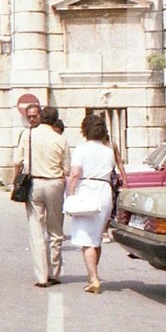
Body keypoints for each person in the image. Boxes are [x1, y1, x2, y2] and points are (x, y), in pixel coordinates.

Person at [65, 113, 123, 293]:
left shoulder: (81, 150)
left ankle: (94, 279)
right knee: (96, 237)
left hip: (87, 190)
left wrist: (70, 194)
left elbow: (75, 174)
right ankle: (92, 274)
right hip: (105, 192)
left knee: (87, 239)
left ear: (85, 131)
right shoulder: (108, 151)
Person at [15, 101, 69, 287]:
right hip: (55, 184)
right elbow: (67, 168)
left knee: (36, 229)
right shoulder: (61, 139)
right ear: (56, 121)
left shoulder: (28, 134)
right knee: (55, 230)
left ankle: (41, 276)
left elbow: (18, 160)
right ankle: (55, 272)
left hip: (34, 183)